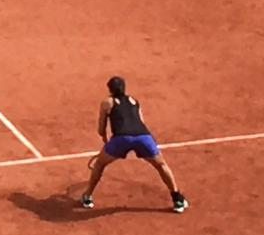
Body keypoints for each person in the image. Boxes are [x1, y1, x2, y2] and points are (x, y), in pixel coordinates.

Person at [81, 76, 189, 213]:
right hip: (144, 137)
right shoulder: (134, 101)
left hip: (121, 138)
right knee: (161, 165)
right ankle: (178, 199)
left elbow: (101, 129)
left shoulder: (107, 102)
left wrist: (105, 140)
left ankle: (87, 197)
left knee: (100, 164)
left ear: (110, 89)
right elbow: (141, 122)